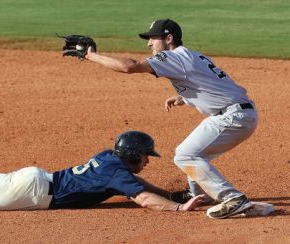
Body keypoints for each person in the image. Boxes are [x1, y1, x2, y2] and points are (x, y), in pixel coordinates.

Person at [83, 19, 258, 219]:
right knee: (190, 152)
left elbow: (130, 67)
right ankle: (200, 195)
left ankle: (233, 198)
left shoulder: (173, 56)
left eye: (153, 39)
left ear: (168, 38)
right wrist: (183, 98)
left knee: (185, 155)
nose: (149, 44)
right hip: (238, 112)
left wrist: (92, 56)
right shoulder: (191, 55)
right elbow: (210, 83)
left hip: (233, 116)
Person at [0, 127, 204, 212]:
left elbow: (137, 184)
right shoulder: (117, 173)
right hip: (33, 190)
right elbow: (143, 199)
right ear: (131, 154)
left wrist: (168, 192)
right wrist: (177, 206)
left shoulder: (110, 159)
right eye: (145, 155)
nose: (147, 160)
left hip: (33, 180)